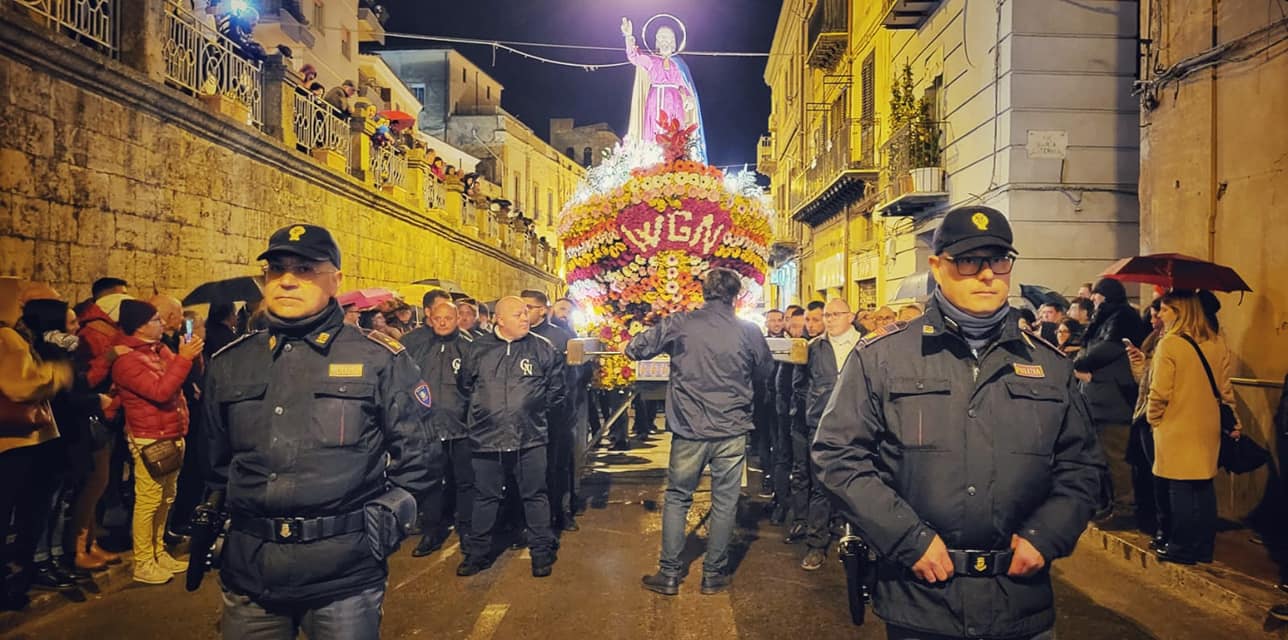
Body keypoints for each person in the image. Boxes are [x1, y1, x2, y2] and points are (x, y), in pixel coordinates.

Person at [813, 205, 1104, 639]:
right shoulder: (882, 358)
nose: (987, 274)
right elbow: (838, 457)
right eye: (969, 261)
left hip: (1019, 603)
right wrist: (909, 539)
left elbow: (1082, 468)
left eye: (999, 260)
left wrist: (1048, 535)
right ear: (937, 266)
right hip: (923, 601)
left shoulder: (1049, 366)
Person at [203, 224, 438, 638]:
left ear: (336, 281)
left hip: (343, 576)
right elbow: (216, 462)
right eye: (277, 270)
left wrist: (384, 523)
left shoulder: (377, 358)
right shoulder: (230, 363)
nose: (288, 280)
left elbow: (418, 457)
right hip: (250, 574)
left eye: (306, 269)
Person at [627, 268, 773, 596]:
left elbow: (635, 349)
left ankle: (669, 574)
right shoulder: (749, 331)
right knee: (725, 501)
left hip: (690, 428)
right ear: (736, 295)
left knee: (679, 497)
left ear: (704, 292)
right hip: (732, 428)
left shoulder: (681, 323)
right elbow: (765, 371)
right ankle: (713, 575)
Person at [455, 297, 565, 578]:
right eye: (518, 314)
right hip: (486, 436)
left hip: (530, 437)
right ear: (499, 320)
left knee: (535, 495)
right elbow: (465, 386)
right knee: (486, 496)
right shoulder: (477, 349)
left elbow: (556, 390)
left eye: (526, 313)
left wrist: (531, 412)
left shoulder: (542, 348)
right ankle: (477, 554)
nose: (525, 318)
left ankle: (541, 552)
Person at [110, 299, 203, 585]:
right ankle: (143, 561)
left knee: (166, 497)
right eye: (156, 321)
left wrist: (191, 353)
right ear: (139, 325)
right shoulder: (127, 362)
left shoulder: (160, 350)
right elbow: (160, 391)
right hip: (150, 437)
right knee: (149, 500)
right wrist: (184, 358)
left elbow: (187, 376)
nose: (162, 324)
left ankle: (158, 550)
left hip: (173, 432)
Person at [0, 279, 74, 610]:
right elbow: (19, 386)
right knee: (22, 512)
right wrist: (56, 375)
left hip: (17, 439)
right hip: (18, 439)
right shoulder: (8, 338)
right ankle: (10, 585)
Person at [1146, 290, 1236, 565]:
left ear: (1179, 311)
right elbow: (1225, 388)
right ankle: (1203, 548)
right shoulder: (1216, 342)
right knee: (1204, 488)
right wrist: (1234, 421)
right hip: (1207, 426)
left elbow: (1160, 390)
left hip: (1176, 424)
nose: (1160, 315)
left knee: (1179, 489)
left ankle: (1181, 548)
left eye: (1165, 309)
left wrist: (1153, 417)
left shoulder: (1170, 344)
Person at [22, 297, 100, 590]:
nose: (77, 327)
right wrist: (94, 398)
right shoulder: (50, 352)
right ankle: (41, 559)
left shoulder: (62, 351)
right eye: (70, 322)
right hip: (58, 438)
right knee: (47, 501)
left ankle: (54, 556)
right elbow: (65, 397)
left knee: (60, 499)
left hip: (68, 436)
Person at [402, 301, 476, 557]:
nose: (443, 322)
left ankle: (467, 531)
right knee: (432, 482)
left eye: (448, 318)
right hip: (428, 429)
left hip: (463, 429)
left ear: (457, 319)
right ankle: (432, 531)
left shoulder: (470, 347)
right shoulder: (416, 346)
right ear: (430, 319)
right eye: (438, 318)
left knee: (466, 482)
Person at [1074, 278, 1150, 523]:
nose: (1093, 300)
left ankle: (1125, 507)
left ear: (1104, 296)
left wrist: (1080, 361)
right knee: (1104, 458)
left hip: (1114, 402)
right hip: (1102, 401)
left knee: (1117, 458)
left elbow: (1099, 353)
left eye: (1096, 295)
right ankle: (1109, 503)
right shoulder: (1106, 319)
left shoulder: (1120, 319)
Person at [792, 298, 860, 571]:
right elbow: (800, 385)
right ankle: (816, 544)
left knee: (858, 484)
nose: (830, 320)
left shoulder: (865, 346)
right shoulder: (814, 348)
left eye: (835, 314)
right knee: (820, 484)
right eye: (827, 315)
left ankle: (859, 542)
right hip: (820, 425)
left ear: (850, 316)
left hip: (859, 425)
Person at [522, 290, 581, 532]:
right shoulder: (518, 335)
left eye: (529, 306)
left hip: (556, 414)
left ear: (543, 310)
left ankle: (562, 512)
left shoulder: (561, 337)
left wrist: (559, 402)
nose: (524, 311)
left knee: (558, 465)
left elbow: (575, 374)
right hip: (525, 417)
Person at [620, 15, 707, 162]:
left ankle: (675, 160)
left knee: (674, 133)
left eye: (668, 38)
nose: (664, 41)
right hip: (654, 101)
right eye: (661, 37)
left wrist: (688, 98)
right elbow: (634, 57)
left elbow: (684, 86)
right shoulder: (652, 61)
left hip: (674, 103)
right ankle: (651, 162)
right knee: (653, 134)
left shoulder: (679, 65)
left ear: (673, 43)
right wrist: (628, 36)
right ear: (657, 42)